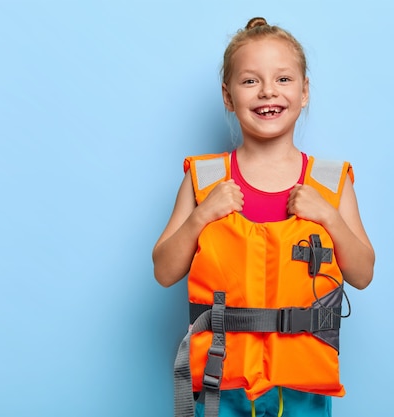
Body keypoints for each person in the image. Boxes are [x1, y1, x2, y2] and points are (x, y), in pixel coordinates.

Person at [153, 17, 375, 417]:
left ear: (305, 92)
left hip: (300, 389)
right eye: (250, 81)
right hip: (224, 383)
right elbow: (164, 271)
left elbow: (362, 273)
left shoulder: (330, 182)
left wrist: (330, 217)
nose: (268, 91)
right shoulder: (204, 180)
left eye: (284, 79)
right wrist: (201, 216)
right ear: (227, 95)